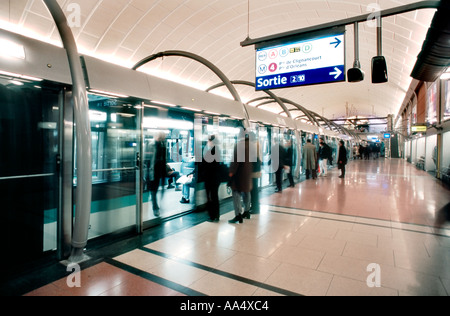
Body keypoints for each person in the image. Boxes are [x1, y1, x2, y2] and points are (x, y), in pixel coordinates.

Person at [228, 131, 253, 224]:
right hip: (247, 174)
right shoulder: (250, 146)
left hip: (239, 175)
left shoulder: (239, 145)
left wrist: (231, 172)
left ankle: (238, 215)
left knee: (236, 194)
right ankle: (246, 211)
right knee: (247, 193)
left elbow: (235, 161)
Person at [202, 135, 221, 222]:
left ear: (211, 141)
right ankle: (216, 215)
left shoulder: (212, 151)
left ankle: (212, 216)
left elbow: (208, 165)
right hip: (215, 178)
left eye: (208, 141)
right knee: (214, 196)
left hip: (210, 178)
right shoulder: (217, 150)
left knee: (211, 197)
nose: (207, 143)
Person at [149, 132, 167, 217]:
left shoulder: (163, 146)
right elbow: (147, 160)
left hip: (160, 172)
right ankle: (155, 208)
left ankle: (156, 205)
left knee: (158, 190)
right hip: (153, 172)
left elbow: (164, 160)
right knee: (153, 191)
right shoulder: (150, 145)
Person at [250, 138, 262, 214]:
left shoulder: (254, 145)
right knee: (254, 190)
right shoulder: (258, 144)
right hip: (256, 170)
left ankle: (255, 208)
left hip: (253, 171)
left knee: (253, 190)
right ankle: (255, 206)